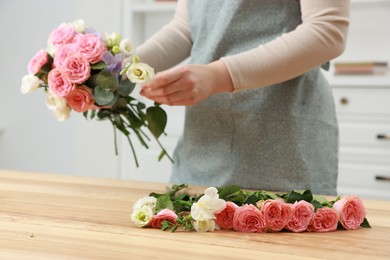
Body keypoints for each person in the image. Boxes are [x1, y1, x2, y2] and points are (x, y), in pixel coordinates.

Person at [135, 0, 350, 195]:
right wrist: (118, 71)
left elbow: (327, 30)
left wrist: (217, 76)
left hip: (283, 146)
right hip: (203, 147)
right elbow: (184, 29)